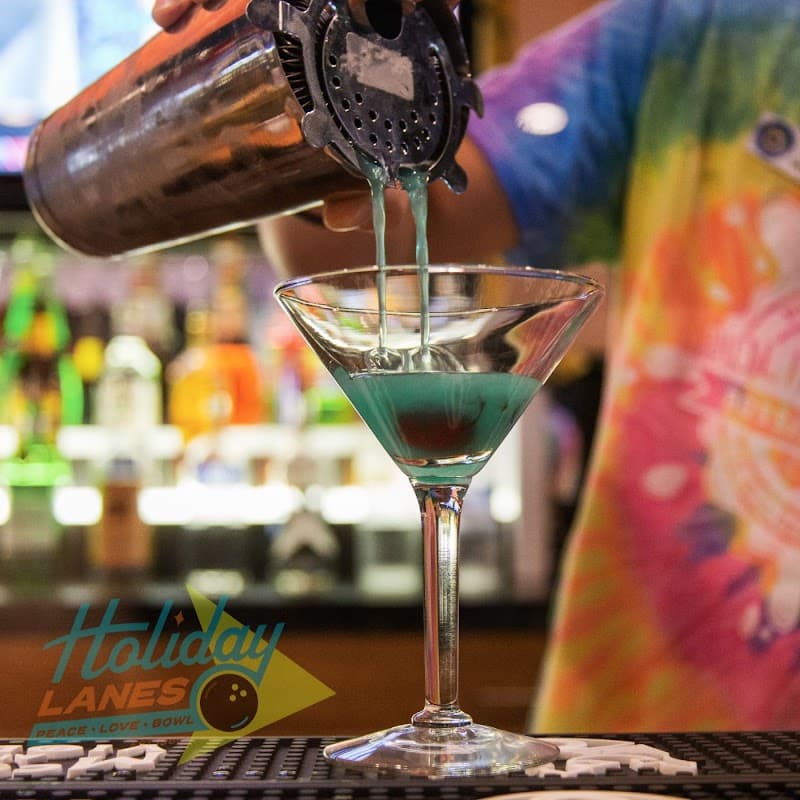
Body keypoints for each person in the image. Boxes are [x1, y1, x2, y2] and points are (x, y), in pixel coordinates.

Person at [152, 0, 800, 732]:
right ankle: (442, 717)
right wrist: (291, 75)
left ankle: (444, 713)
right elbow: (356, 229)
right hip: (662, 730)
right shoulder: (700, 30)